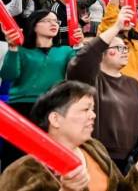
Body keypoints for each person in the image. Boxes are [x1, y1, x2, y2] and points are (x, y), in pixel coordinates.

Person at [0, 81, 138, 190]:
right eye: (85, 109)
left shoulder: (94, 148)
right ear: (55, 119)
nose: (93, 115)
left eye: (92, 109)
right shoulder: (24, 171)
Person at [66, 6, 138, 173]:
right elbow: (83, 58)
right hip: (99, 159)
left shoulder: (133, 84)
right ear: (101, 53)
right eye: (117, 48)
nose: (124, 52)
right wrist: (117, 26)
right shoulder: (89, 80)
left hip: (130, 162)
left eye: (125, 48)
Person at [0, 10, 83, 169]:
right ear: (34, 25)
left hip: (52, 109)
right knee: (16, 160)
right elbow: (9, 75)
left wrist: (79, 46)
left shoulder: (65, 51)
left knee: (47, 160)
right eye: (47, 20)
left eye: (56, 21)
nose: (54, 24)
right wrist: (12, 48)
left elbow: (79, 71)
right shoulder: (22, 50)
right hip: (21, 110)